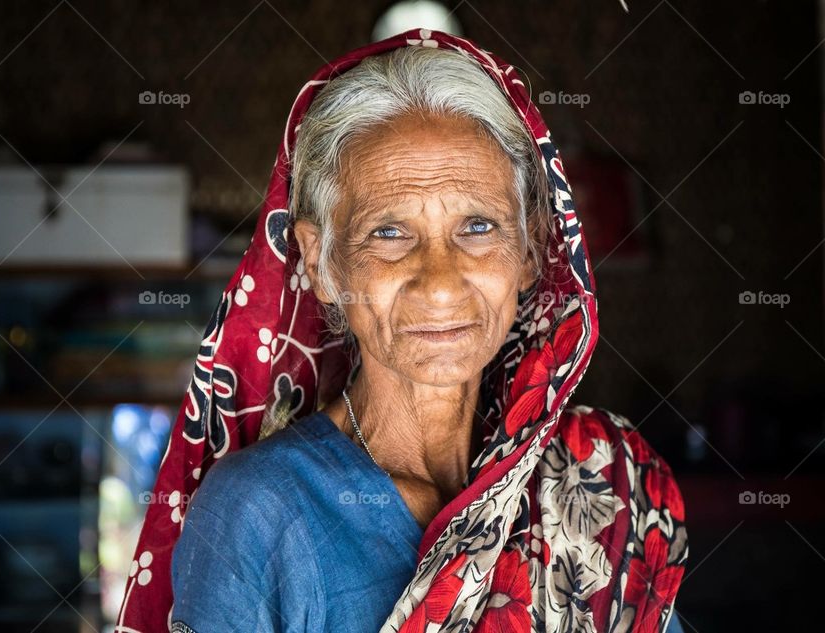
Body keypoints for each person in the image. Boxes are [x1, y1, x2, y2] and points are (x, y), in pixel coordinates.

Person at [115, 29, 689, 633]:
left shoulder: (599, 479)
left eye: (478, 226)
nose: (439, 284)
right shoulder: (259, 514)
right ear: (321, 264)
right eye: (389, 233)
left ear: (530, 249)